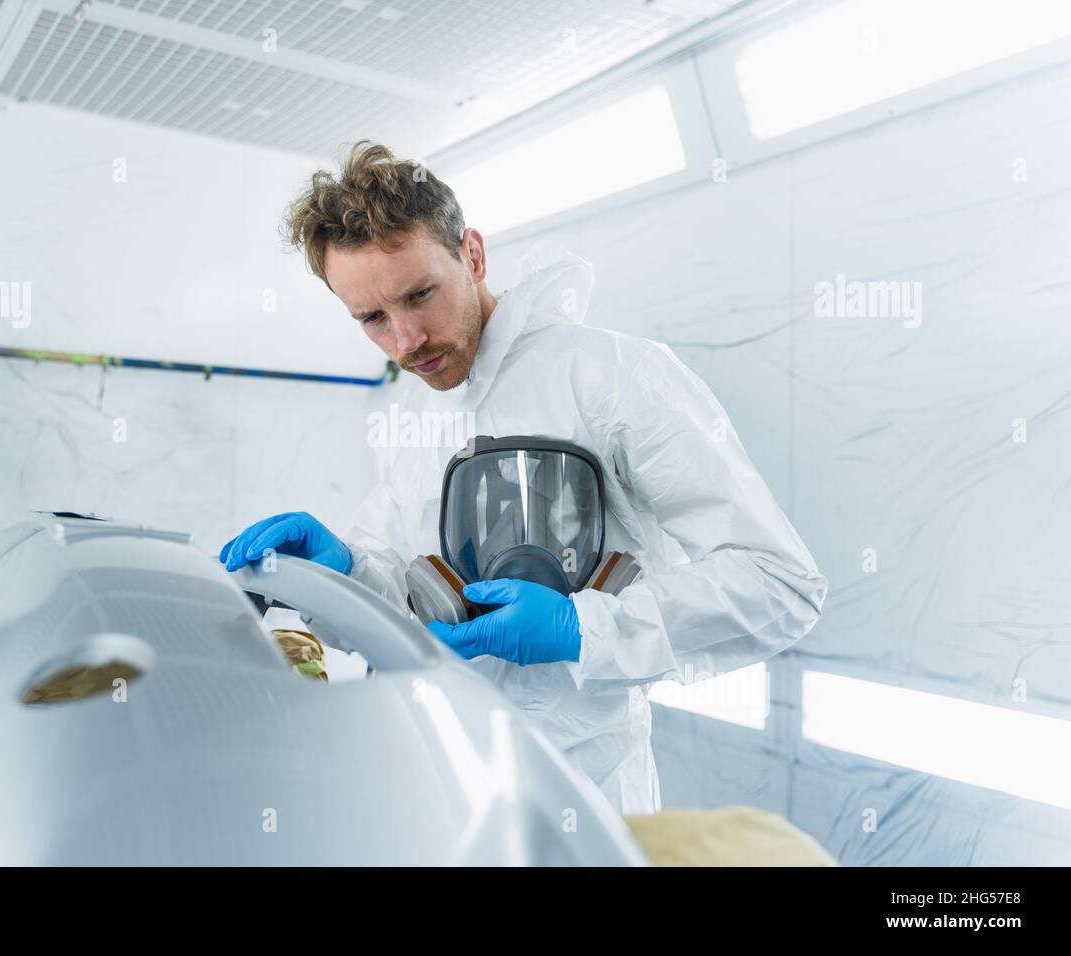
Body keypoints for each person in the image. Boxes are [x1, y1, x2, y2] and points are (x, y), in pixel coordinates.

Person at [220, 141, 827, 815]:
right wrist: (345, 575)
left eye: (421, 295)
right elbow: (413, 596)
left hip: (591, 794)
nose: (405, 340)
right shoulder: (417, 409)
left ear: (472, 254)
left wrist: (582, 629)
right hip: (448, 782)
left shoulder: (612, 376)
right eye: (372, 318)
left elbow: (780, 583)